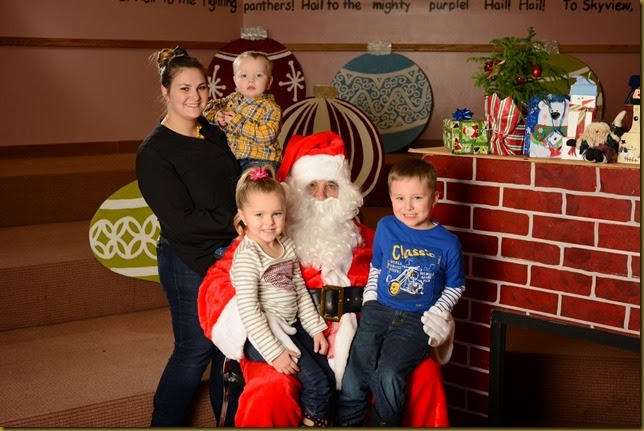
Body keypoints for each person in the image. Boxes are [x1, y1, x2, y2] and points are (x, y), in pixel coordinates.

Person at [198, 131, 456, 427]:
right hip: (289, 342)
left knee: (424, 375)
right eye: (311, 187)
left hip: (364, 343)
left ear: (344, 192)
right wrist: (268, 332)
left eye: (331, 186)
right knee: (269, 391)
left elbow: (422, 280)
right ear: (292, 192)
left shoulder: (376, 240)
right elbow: (214, 289)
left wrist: (434, 322)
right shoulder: (260, 242)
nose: (321, 196)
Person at [135, 46, 242, 427]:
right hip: (187, 259)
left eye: (201, 87)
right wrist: (238, 219)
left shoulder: (212, 133)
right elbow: (181, 221)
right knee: (194, 350)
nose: (194, 97)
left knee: (225, 350)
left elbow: (231, 184)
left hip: (228, 254)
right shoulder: (154, 152)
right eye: (183, 88)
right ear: (165, 92)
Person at [337, 158, 466, 427]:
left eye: (417, 197)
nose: (407, 207)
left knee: (388, 374)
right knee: (355, 373)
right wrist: (371, 298)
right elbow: (377, 267)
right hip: (378, 310)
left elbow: (455, 286)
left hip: (416, 319)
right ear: (391, 198)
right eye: (400, 198)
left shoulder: (448, 243)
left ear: (434, 198)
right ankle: (348, 423)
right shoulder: (386, 227)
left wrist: (438, 312)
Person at [229, 165, 334, 426]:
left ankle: (316, 415)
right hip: (262, 336)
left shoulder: (285, 245)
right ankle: (313, 422)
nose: (269, 222)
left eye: (277, 213)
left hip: (292, 326)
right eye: (260, 215)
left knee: (330, 376)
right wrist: (274, 352)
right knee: (317, 384)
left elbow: (299, 291)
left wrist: (316, 329)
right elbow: (250, 312)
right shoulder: (248, 256)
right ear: (243, 216)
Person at [203, 51, 282, 173]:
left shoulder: (271, 108)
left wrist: (237, 122)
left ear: (269, 81)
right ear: (235, 80)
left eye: (259, 75)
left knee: (252, 189)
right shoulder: (232, 99)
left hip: (260, 160)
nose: (251, 80)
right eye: (244, 76)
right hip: (233, 158)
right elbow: (207, 108)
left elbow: (266, 136)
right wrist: (218, 117)